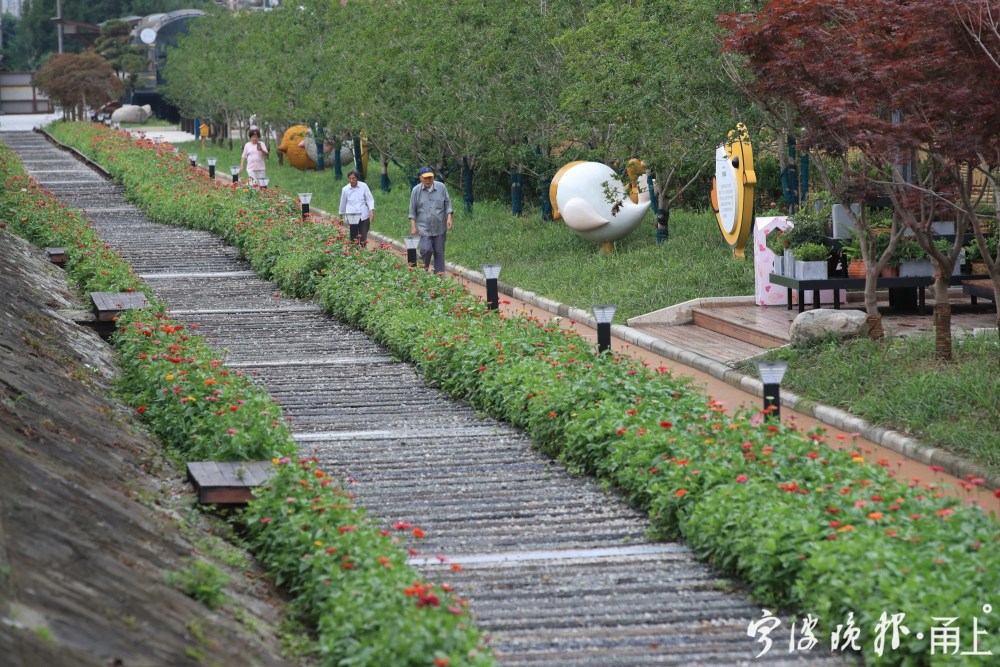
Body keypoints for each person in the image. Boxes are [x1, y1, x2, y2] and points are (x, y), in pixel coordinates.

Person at [408, 166, 453, 274]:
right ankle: (423, 273)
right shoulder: (416, 191)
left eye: (430, 177)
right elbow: (412, 210)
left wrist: (449, 218)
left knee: (439, 252)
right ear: (420, 178)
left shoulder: (441, 187)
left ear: (433, 177)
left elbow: (448, 204)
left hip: (439, 227)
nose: (428, 180)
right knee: (426, 249)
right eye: (425, 178)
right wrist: (413, 227)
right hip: (423, 228)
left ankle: (439, 277)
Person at [337, 169, 375, 246]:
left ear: (357, 178)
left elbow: (369, 199)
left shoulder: (363, 186)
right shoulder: (345, 189)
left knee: (363, 237)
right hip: (352, 216)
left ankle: (363, 252)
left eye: (353, 178)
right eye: (350, 178)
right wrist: (341, 216)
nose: (351, 180)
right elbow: (342, 203)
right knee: (353, 238)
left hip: (363, 215)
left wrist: (371, 210)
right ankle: (354, 253)